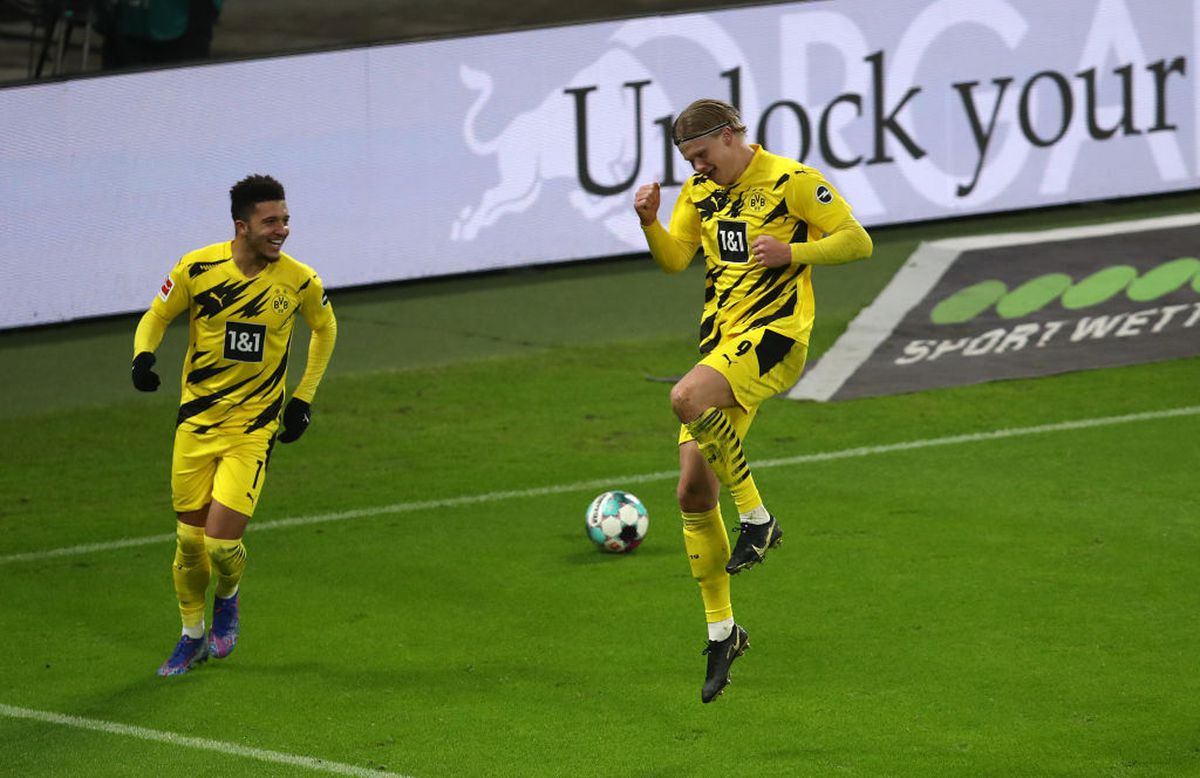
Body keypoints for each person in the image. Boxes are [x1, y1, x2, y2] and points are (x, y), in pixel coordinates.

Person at [633, 99, 873, 703]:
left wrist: (794, 252)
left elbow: (857, 241)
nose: (698, 167)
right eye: (689, 160)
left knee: (685, 395)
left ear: (733, 136)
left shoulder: (794, 182)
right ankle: (723, 631)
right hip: (722, 345)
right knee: (692, 490)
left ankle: (759, 520)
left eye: (703, 155)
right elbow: (675, 261)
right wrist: (651, 224)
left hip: (774, 337)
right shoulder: (697, 193)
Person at [131, 174, 338, 676]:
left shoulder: (300, 281)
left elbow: (325, 328)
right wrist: (142, 357)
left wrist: (303, 398)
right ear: (241, 226)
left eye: (285, 220)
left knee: (222, 545)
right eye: (271, 222)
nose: (282, 230)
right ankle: (191, 635)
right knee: (187, 543)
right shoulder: (198, 267)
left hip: (253, 430)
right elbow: (156, 316)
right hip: (197, 426)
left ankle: (229, 595)